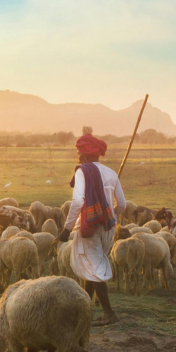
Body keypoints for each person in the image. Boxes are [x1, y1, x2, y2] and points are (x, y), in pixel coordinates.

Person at [61, 132, 126, 326]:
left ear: (86, 155)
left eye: (80, 153)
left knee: (95, 268)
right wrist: (109, 214)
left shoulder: (83, 171)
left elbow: (78, 200)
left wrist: (67, 228)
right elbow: (121, 204)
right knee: (92, 265)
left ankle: (108, 313)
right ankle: (84, 309)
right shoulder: (111, 173)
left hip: (90, 226)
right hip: (108, 227)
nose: (78, 157)